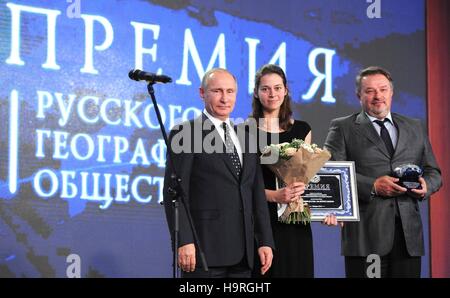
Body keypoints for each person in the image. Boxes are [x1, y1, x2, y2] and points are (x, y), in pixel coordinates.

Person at [324, 66, 442, 278]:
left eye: (383, 89)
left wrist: (427, 185)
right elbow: (331, 173)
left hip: (408, 239)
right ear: (358, 95)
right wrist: (373, 186)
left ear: (391, 92)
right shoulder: (343, 127)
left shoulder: (414, 126)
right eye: (370, 91)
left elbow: (434, 171)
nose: (378, 96)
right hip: (366, 236)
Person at [163, 68, 274, 278]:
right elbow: (174, 194)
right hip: (204, 252)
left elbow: (256, 193)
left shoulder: (247, 136)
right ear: (202, 93)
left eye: (230, 91)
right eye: (217, 91)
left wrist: (265, 240)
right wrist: (184, 241)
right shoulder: (186, 134)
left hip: (244, 255)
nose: (225, 98)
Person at [248, 64, 338, 278]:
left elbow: (306, 180)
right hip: (262, 223)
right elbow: (241, 185)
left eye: (277, 88)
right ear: (256, 92)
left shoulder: (302, 129)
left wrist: (327, 209)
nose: (272, 94)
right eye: (265, 88)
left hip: (295, 223)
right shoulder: (244, 131)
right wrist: (273, 196)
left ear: (286, 90)